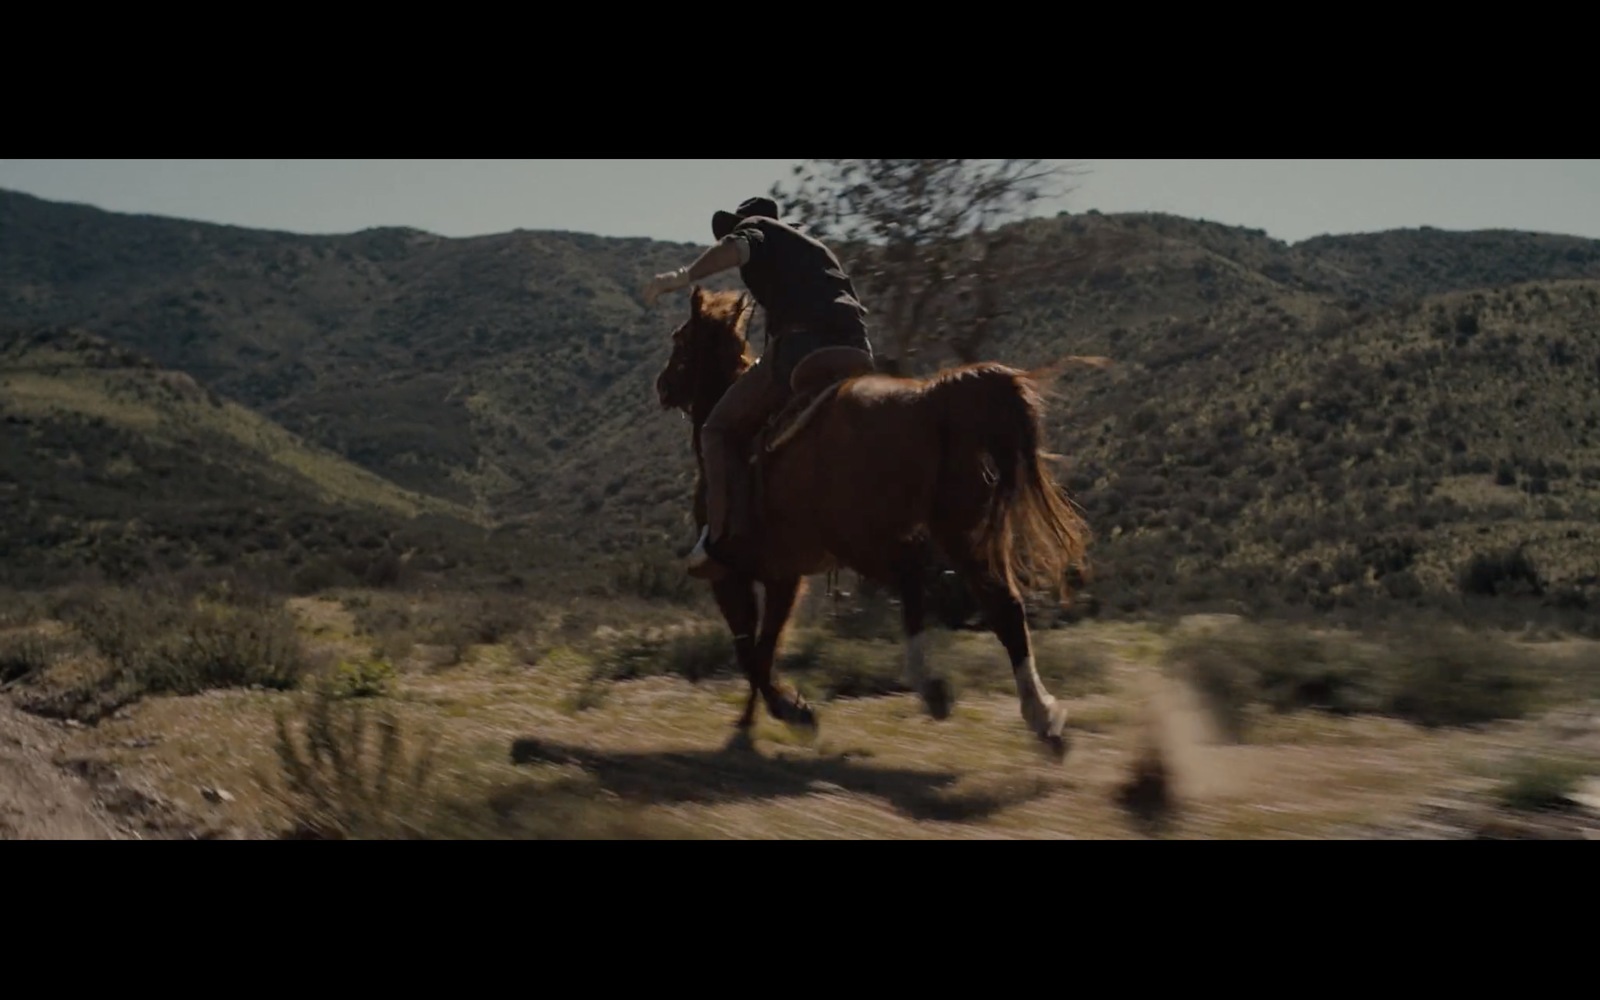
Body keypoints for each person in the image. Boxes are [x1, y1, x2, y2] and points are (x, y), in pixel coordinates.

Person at [641, 196, 873, 580]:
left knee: (716, 430)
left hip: (803, 348)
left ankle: (720, 540)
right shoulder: (814, 250)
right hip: (857, 350)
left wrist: (681, 276)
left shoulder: (760, 231)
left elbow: (737, 248)